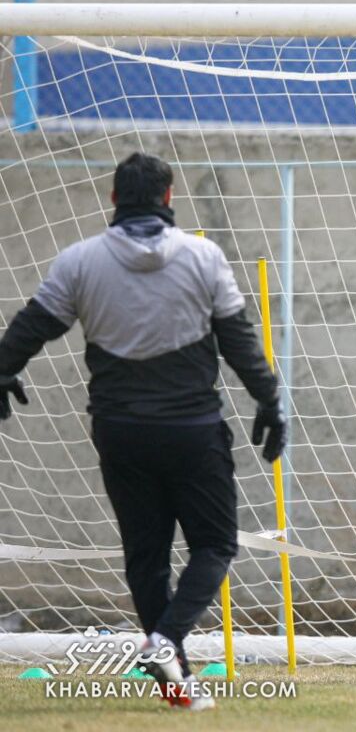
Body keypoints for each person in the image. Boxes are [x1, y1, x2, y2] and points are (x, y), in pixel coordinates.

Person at [0, 153, 287, 710]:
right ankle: (166, 642)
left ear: (113, 200)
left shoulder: (80, 261)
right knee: (215, 542)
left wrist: (2, 369)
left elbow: (31, 327)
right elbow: (239, 340)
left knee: (146, 553)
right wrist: (270, 400)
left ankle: (173, 680)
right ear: (168, 197)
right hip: (192, 430)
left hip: (119, 431)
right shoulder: (204, 257)